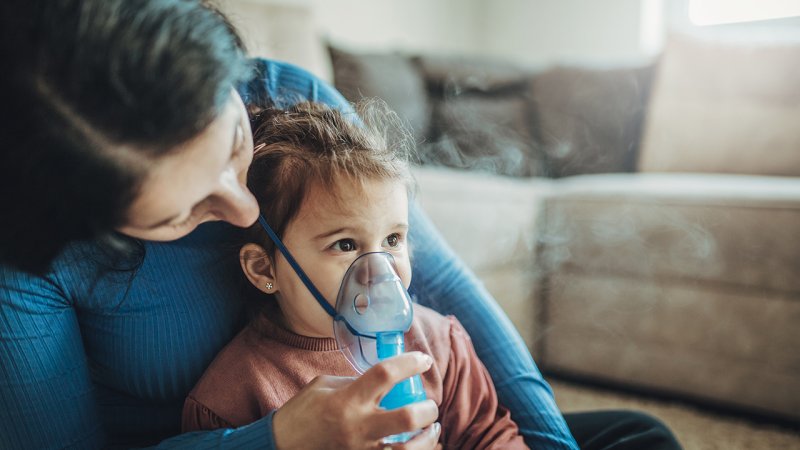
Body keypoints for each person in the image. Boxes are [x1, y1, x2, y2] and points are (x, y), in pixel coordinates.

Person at [0, 1, 681, 449]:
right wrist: (281, 439)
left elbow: (442, 284)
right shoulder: (29, 254)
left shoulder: (284, 97)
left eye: (237, 145)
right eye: (181, 213)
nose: (244, 214)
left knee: (636, 434)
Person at [181, 101, 527, 450]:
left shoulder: (439, 344)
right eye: (345, 244)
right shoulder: (234, 396)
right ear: (264, 268)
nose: (379, 272)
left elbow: (491, 437)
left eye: (392, 239)